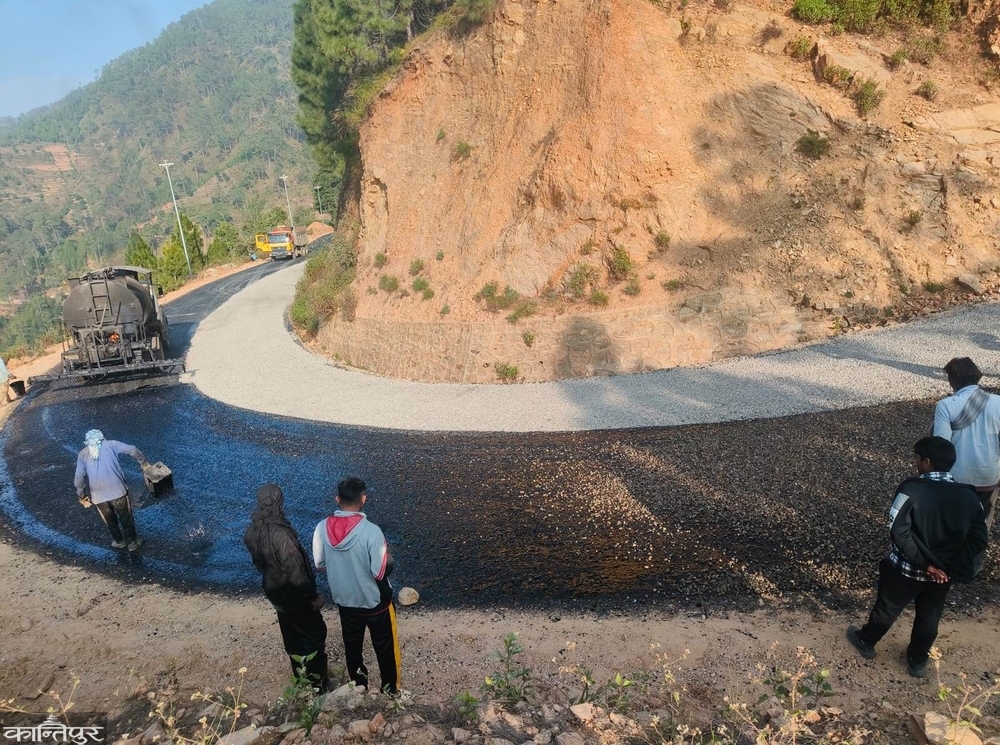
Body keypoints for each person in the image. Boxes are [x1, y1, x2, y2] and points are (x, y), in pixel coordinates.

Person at [847, 436, 988, 678]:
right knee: (929, 616)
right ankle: (918, 659)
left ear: (926, 461)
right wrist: (948, 568)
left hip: (904, 569)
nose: (915, 463)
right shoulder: (971, 497)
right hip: (942, 575)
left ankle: (866, 641)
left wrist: (924, 564)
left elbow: (898, 531)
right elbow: (978, 540)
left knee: (887, 609)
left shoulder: (910, 489)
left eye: (916, 458)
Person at [312, 477, 401, 695]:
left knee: (352, 648)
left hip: (345, 601)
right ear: (364, 499)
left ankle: (359, 687)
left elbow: (320, 563)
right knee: (385, 648)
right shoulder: (372, 531)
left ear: (337, 499)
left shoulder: (321, 528)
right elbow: (379, 572)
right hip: (375, 603)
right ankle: (390, 690)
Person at [243, 484, 329, 692]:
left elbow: (259, 564)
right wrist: (312, 597)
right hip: (295, 596)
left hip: (276, 595)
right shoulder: (281, 534)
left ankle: (300, 680)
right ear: (278, 503)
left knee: (292, 638)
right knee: (314, 636)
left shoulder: (252, 531)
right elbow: (296, 570)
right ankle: (318, 684)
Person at [933, 357, 1000, 532]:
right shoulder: (998, 402)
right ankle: (977, 549)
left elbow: (941, 446)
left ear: (951, 380)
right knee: (981, 524)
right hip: (990, 475)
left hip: (958, 477)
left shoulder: (946, 406)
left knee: (954, 523)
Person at [74, 429, 149, 552]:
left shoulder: (83, 454)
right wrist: (143, 462)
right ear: (101, 437)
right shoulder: (111, 444)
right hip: (118, 491)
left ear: (87, 441)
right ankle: (132, 543)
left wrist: (81, 494)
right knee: (126, 518)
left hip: (98, 496)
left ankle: (119, 542)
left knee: (110, 521)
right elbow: (132, 449)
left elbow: (79, 477)